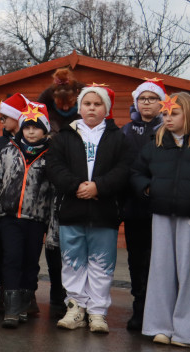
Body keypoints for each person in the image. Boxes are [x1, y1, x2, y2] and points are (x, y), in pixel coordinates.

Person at [132, 93, 190, 347]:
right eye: (165, 114)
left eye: (174, 114)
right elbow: (137, 172)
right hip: (161, 214)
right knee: (161, 270)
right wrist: (149, 189)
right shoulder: (155, 144)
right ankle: (159, 326)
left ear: (189, 115)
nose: (168, 119)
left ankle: (188, 332)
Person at [47, 84, 132, 333]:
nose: (92, 108)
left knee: (101, 264)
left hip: (104, 212)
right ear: (79, 107)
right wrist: (77, 186)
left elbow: (124, 169)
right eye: (87, 103)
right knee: (72, 262)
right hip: (72, 209)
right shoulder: (65, 136)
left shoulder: (118, 137)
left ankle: (97, 312)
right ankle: (75, 309)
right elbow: (54, 166)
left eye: (97, 104)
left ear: (106, 108)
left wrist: (99, 187)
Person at [0, 103, 54, 328]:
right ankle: (11, 308)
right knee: (11, 258)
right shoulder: (8, 151)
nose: (31, 132)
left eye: (36, 128)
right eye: (27, 128)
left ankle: (24, 302)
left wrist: (53, 222)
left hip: (36, 217)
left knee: (30, 261)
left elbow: (54, 192)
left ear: (45, 130)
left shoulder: (51, 155)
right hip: (9, 215)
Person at [120, 78, 166, 331]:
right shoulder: (127, 130)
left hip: (162, 202)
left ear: (161, 103)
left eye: (152, 98)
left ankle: (157, 308)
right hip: (134, 204)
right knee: (136, 258)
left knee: (158, 258)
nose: (146, 103)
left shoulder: (167, 128)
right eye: (142, 98)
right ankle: (139, 305)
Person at [0, 92, 30, 314]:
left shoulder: (32, 138)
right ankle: (4, 293)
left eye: (5, 117)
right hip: (5, 210)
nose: (1, 121)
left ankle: (26, 296)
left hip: (29, 211)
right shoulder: (1, 142)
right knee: (4, 253)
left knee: (26, 255)